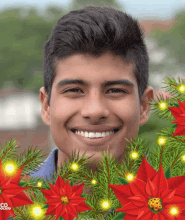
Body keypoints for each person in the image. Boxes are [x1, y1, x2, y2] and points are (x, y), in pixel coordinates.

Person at [30, 5, 154, 180]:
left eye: (115, 91)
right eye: (74, 90)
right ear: (46, 106)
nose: (94, 111)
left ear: (144, 106)